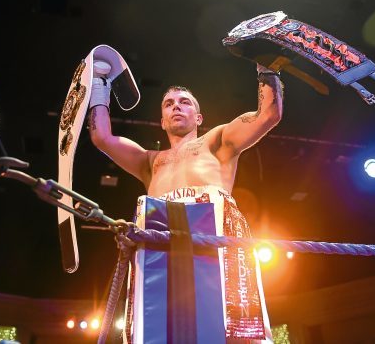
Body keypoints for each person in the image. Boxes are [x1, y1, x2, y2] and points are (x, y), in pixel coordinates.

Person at [88, 62, 283, 342]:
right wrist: (98, 84)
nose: (176, 107)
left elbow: (268, 115)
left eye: (184, 102)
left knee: (228, 329)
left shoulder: (217, 140)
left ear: (199, 116)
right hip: (160, 245)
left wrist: (267, 67)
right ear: (162, 121)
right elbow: (102, 137)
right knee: (157, 329)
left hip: (213, 236)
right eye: (168, 104)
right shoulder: (149, 162)